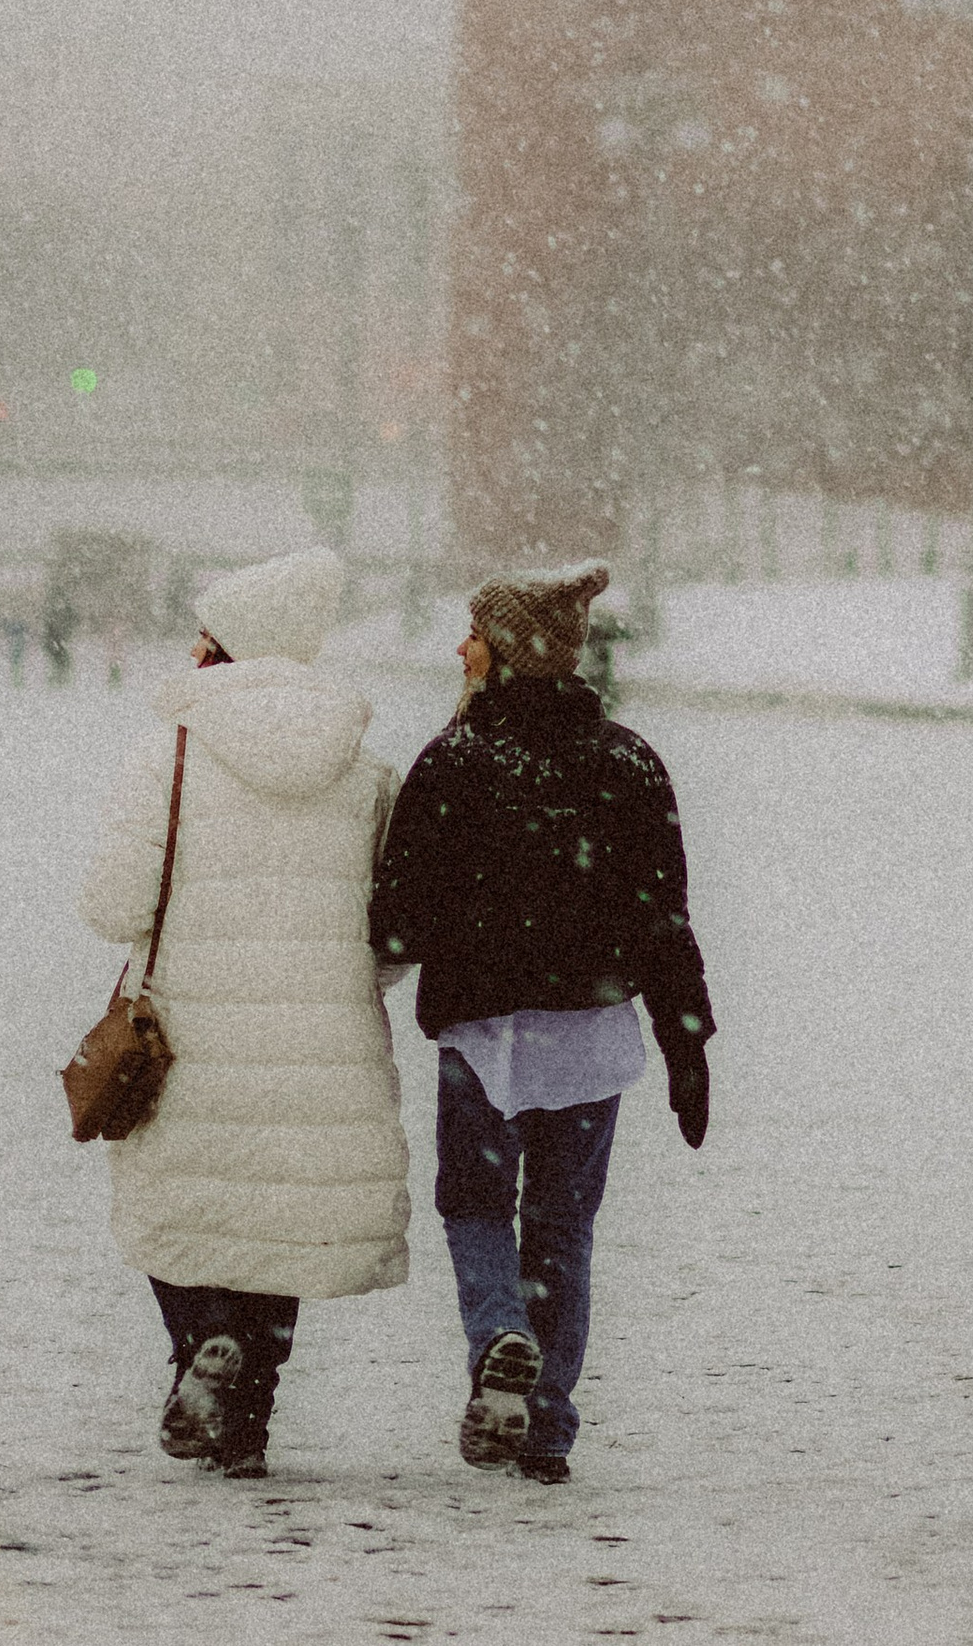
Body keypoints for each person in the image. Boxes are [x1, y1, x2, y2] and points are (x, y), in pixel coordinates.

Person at [370, 562, 712, 1487]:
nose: (460, 645)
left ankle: (498, 1335)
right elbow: (663, 915)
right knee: (563, 1228)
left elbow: (398, 919)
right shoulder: (629, 760)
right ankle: (548, 1427)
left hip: (485, 1039)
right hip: (592, 1041)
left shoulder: (457, 761)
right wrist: (688, 1045)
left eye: (474, 631)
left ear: (506, 651)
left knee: (474, 1204)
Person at [79, 546, 408, 1481]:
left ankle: (203, 1342)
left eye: (204, 635)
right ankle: (246, 1412)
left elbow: (112, 905)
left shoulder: (168, 751)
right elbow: (392, 927)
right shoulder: (361, 765)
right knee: (280, 1222)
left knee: (180, 1210)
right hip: (325, 1038)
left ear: (225, 650)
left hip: (188, 1035)